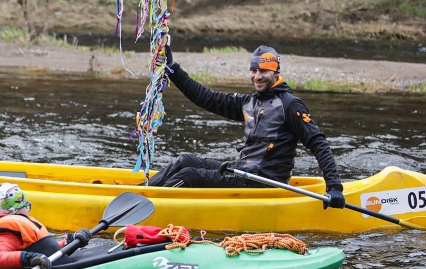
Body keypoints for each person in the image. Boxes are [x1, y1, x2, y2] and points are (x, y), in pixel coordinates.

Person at [148, 45, 346, 210]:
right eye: (254, 71)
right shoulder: (250, 102)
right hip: (242, 174)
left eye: (264, 72)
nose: (257, 77)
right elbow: (206, 98)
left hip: (263, 184)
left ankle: (150, 206)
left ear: (276, 72)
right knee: (185, 161)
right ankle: (140, 192)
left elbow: (318, 143)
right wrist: (172, 69)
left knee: (188, 175)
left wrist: (334, 186)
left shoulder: (290, 105)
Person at [0, 183, 92, 269]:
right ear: (10, 211)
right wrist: (29, 258)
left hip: (57, 267)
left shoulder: (20, 223)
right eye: (25, 207)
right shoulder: (6, 233)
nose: (28, 211)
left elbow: (43, 250)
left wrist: (70, 242)